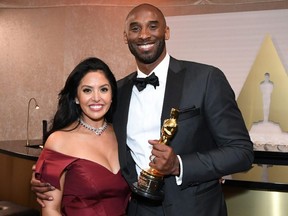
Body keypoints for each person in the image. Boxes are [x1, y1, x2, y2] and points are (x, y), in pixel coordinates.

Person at [31, 4, 254, 216]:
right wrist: (47, 176)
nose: (144, 35)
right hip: (138, 209)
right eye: (135, 28)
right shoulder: (116, 93)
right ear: (125, 37)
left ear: (166, 31)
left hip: (195, 209)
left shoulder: (206, 79)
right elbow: (88, 145)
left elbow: (241, 152)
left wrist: (180, 165)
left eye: (153, 26)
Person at [34, 57, 130, 216]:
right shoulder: (58, 141)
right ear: (76, 97)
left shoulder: (123, 135)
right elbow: (50, 210)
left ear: (112, 95)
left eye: (104, 89)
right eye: (87, 90)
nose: (97, 98)